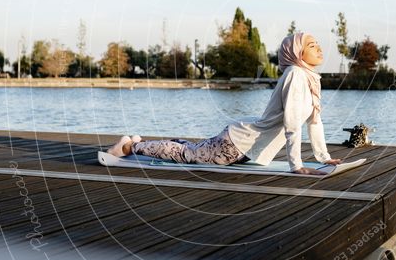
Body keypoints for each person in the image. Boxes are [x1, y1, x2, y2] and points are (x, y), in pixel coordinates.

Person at [106, 32, 343, 175]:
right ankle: (130, 147)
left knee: (193, 149)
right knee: (189, 155)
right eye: (311, 45)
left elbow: (314, 121)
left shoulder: (311, 79)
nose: (319, 48)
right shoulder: (294, 73)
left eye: (317, 43)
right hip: (238, 143)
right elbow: (292, 123)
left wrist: (323, 158)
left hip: (246, 146)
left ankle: (140, 142)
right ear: (296, 52)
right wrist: (296, 166)